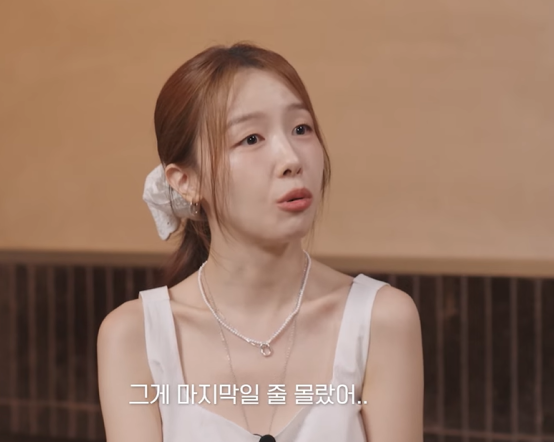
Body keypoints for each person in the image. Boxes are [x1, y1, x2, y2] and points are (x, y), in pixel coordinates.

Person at [97, 42, 424, 442]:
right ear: (186, 181)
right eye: (251, 138)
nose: (291, 159)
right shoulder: (135, 337)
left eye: (301, 129)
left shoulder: (380, 319)